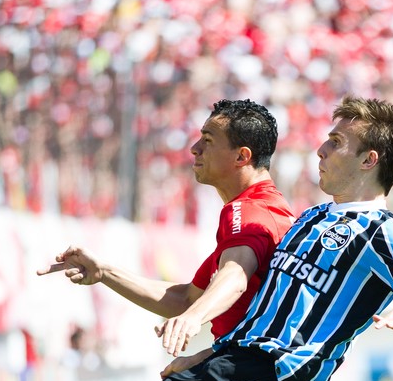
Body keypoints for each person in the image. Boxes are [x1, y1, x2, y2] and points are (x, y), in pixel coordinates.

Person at [159, 95, 393, 381]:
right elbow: (265, 316)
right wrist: (207, 357)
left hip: (276, 374)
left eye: (335, 142)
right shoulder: (310, 217)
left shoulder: (383, 229)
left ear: (368, 160)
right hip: (233, 363)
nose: (321, 150)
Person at [37, 99, 295, 365]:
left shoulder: (249, 210)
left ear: (241, 156)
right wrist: (105, 273)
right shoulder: (266, 209)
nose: (195, 149)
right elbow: (185, 299)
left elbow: (236, 275)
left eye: (208, 140)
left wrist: (193, 318)